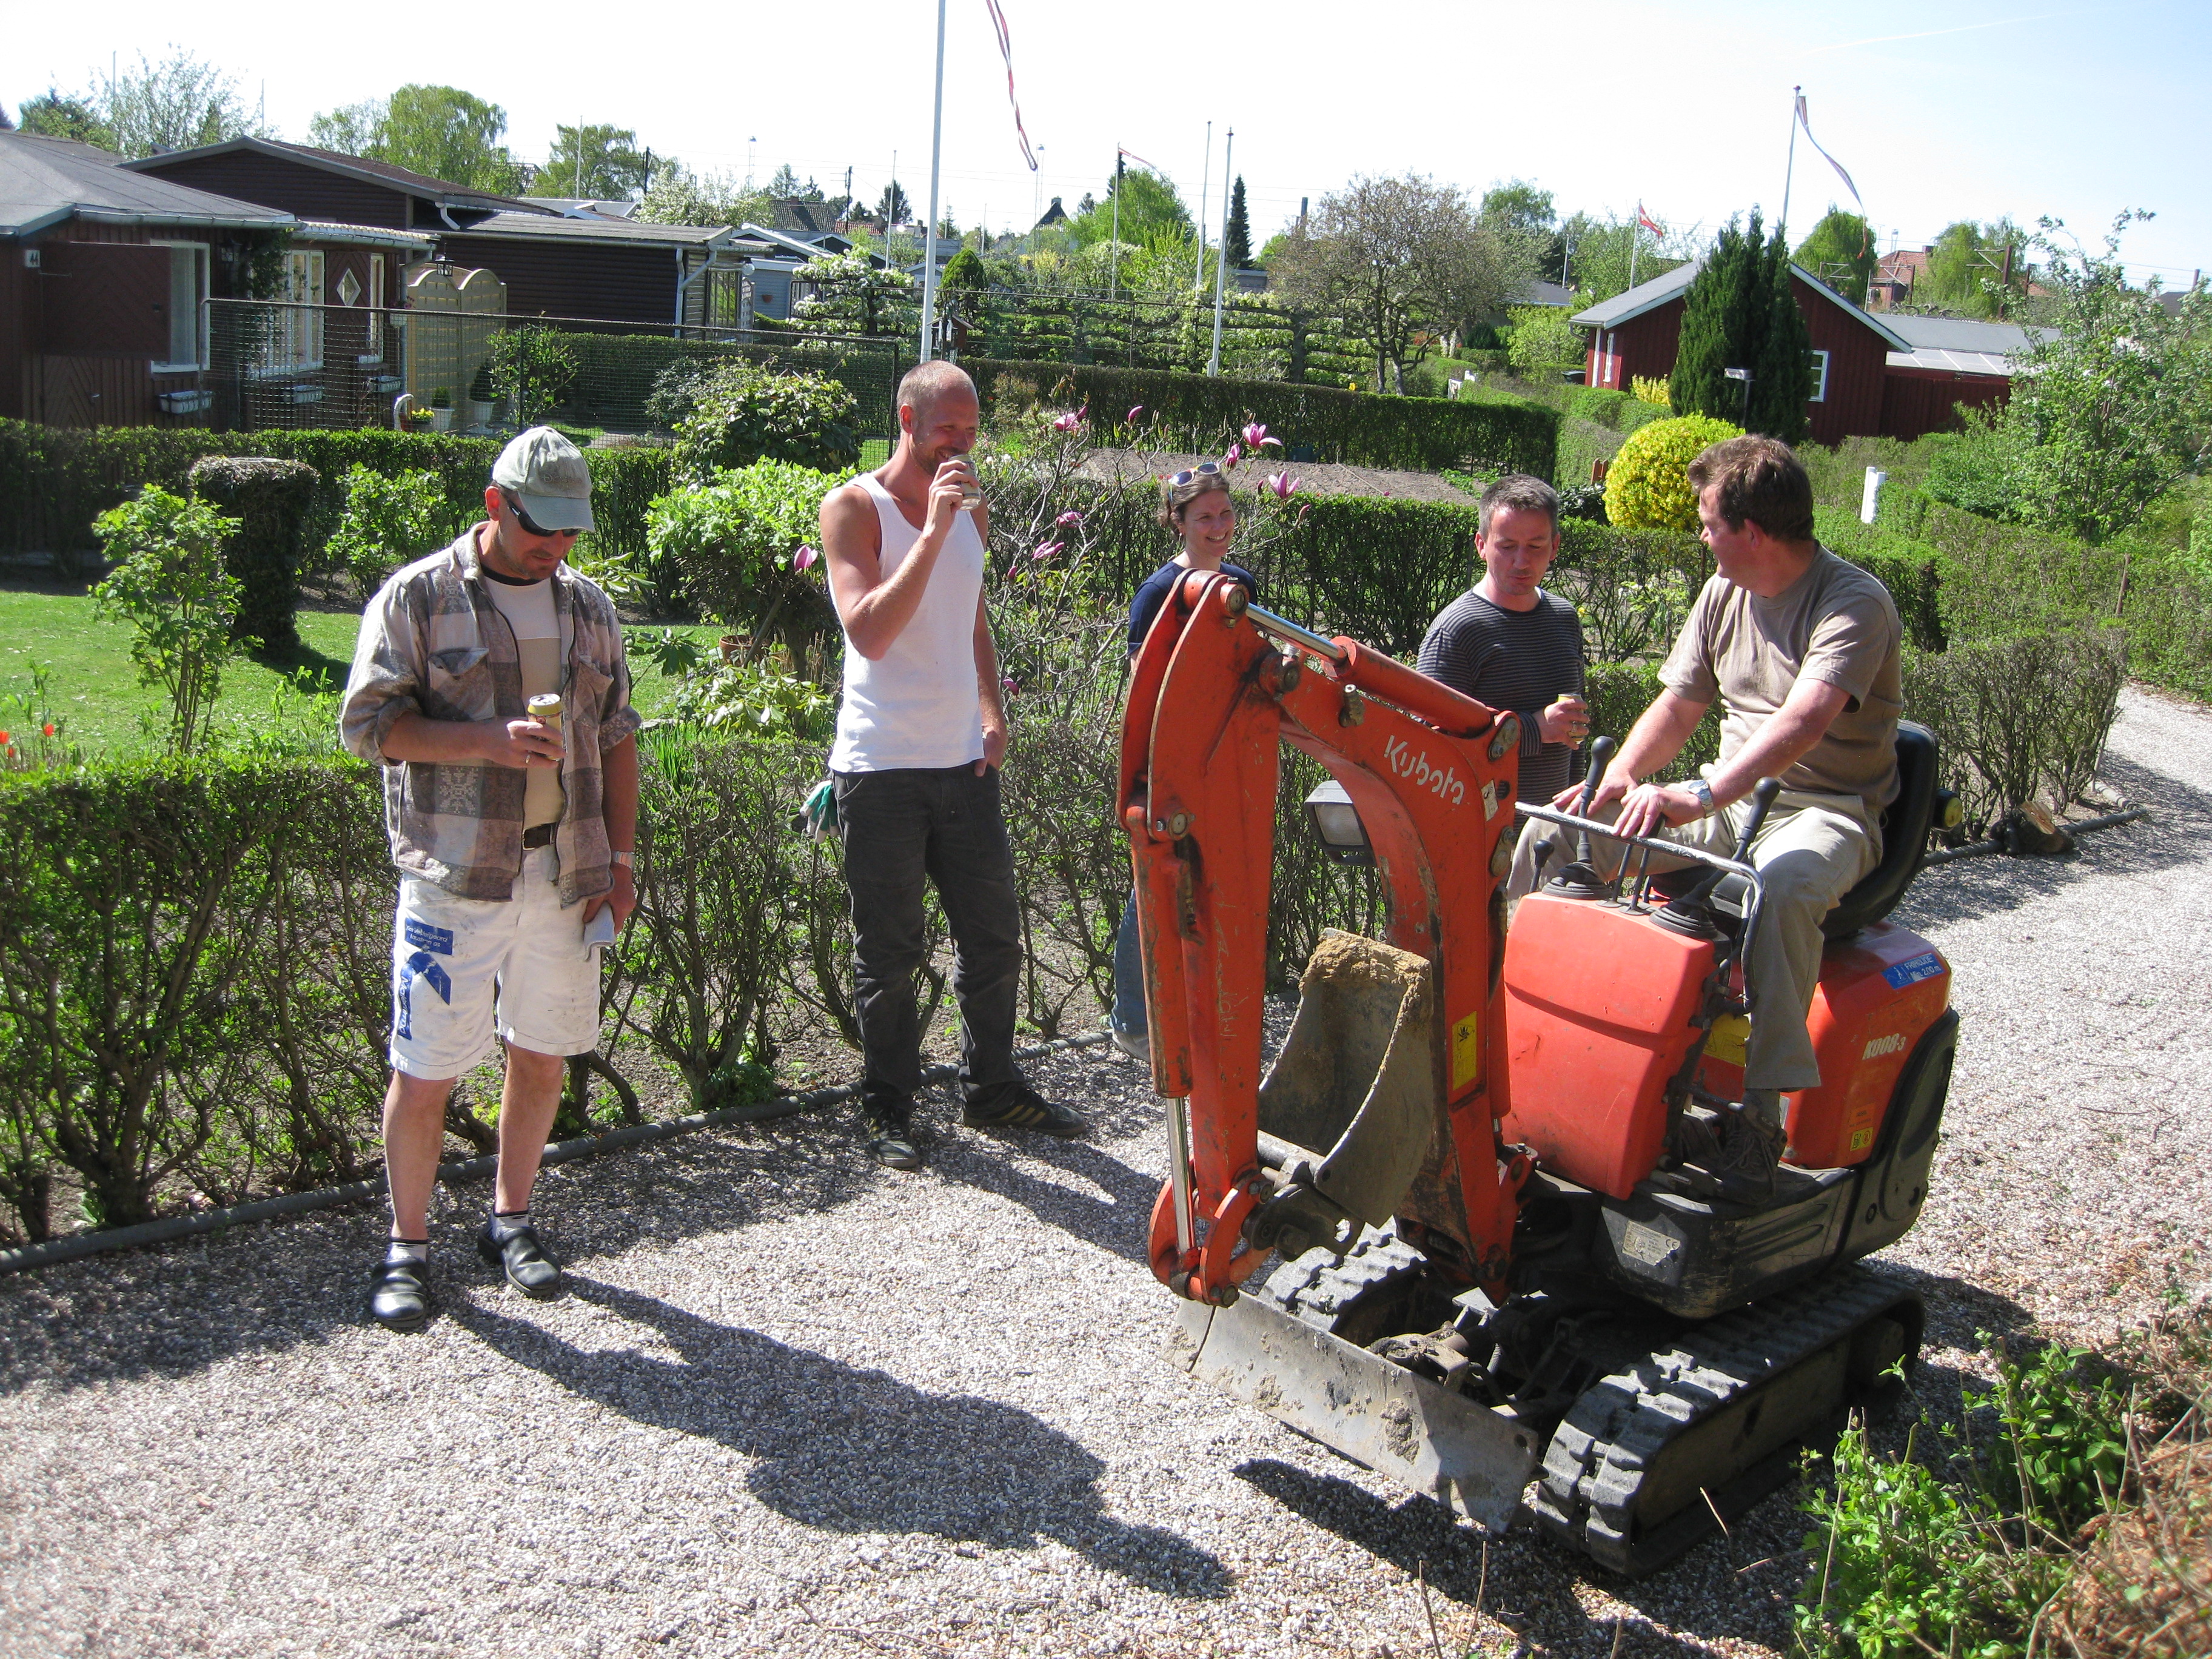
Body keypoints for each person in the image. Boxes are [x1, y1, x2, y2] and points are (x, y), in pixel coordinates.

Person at [1512, 435, 1902, 1197]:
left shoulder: (1853, 602)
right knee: (1558, 835)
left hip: (1824, 810)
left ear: (1750, 531)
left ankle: (1760, 1120)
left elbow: (1805, 721)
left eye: (1708, 522)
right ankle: (1514, 1035)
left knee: (1780, 888)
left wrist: (1702, 795)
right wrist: (1618, 779)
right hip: (1728, 797)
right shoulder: (1725, 590)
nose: (1700, 536)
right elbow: (1681, 702)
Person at [341, 427, 641, 1332]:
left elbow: (619, 736)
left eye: (570, 529)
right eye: (540, 526)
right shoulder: (420, 597)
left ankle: (510, 1222)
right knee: (425, 1068)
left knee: (542, 1053)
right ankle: (407, 1245)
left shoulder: (589, 607)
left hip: (565, 870)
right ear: (494, 505)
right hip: (456, 876)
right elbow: (368, 727)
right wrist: (486, 741)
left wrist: (621, 863)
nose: (556, 545)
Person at [817, 360, 1088, 1170]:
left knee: (995, 939)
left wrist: (992, 709)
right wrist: (933, 531)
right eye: (948, 429)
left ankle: (992, 1088)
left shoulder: (972, 505)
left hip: (963, 764)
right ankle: (888, 1107)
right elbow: (869, 632)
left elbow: (971, 616)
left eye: (972, 430)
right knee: (890, 953)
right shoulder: (853, 507)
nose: (963, 445)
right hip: (880, 768)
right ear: (907, 420)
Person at [1106, 462, 1261, 1062]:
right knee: (1157, 878)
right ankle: (1132, 1018)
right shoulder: (1159, 593)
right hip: (1172, 757)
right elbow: (1146, 684)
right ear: (1178, 522)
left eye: (1225, 514)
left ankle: (1207, 1007)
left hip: (1227, 756)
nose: (1218, 526)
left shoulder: (1241, 585)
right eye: (1204, 518)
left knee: (1219, 877)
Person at [1416, 474, 1588, 803]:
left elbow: (1573, 730)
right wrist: (1534, 730)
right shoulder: (1457, 630)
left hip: (1555, 827)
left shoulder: (1565, 618)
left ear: (1555, 547)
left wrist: (1577, 810)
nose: (1521, 562)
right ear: (1481, 545)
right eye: (1507, 547)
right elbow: (1428, 747)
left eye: (1535, 546)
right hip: (1477, 829)